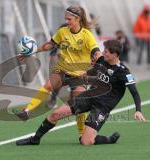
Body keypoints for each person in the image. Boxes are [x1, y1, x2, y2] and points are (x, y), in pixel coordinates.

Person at [16, 39, 146, 146]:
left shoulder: (123, 72)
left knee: (85, 141)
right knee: (55, 114)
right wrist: (86, 72)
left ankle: (108, 139)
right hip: (89, 97)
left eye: (105, 52)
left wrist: (138, 110)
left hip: (102, 107)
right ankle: (35, 139)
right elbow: (95, 69)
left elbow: (134, 92)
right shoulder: (102, 61)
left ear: (115, 55)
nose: (102, 53)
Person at [15, 5, 100, 137]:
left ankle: (81, 133)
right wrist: (33, 50)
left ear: (77, 19)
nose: (66, 22)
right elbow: (50, 44)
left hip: (79, 75)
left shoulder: (87, 35)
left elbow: (96, 52)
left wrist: (98, 59)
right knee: (48, 85)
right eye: (65, 19)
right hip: (62, 69)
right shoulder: (63, 32)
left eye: (69, 19)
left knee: (78, 103)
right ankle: (27, 110)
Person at [133, 5, 150, 69]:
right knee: (140, 50)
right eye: (146, 12)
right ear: (143, 12)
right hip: (141, 38)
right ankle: (139, 63)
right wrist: (139, 35)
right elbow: (136, 29)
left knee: (149, 51)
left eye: (147, 12)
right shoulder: (139, 19)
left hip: (148, 37)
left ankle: (149, 63)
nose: (147, 14)